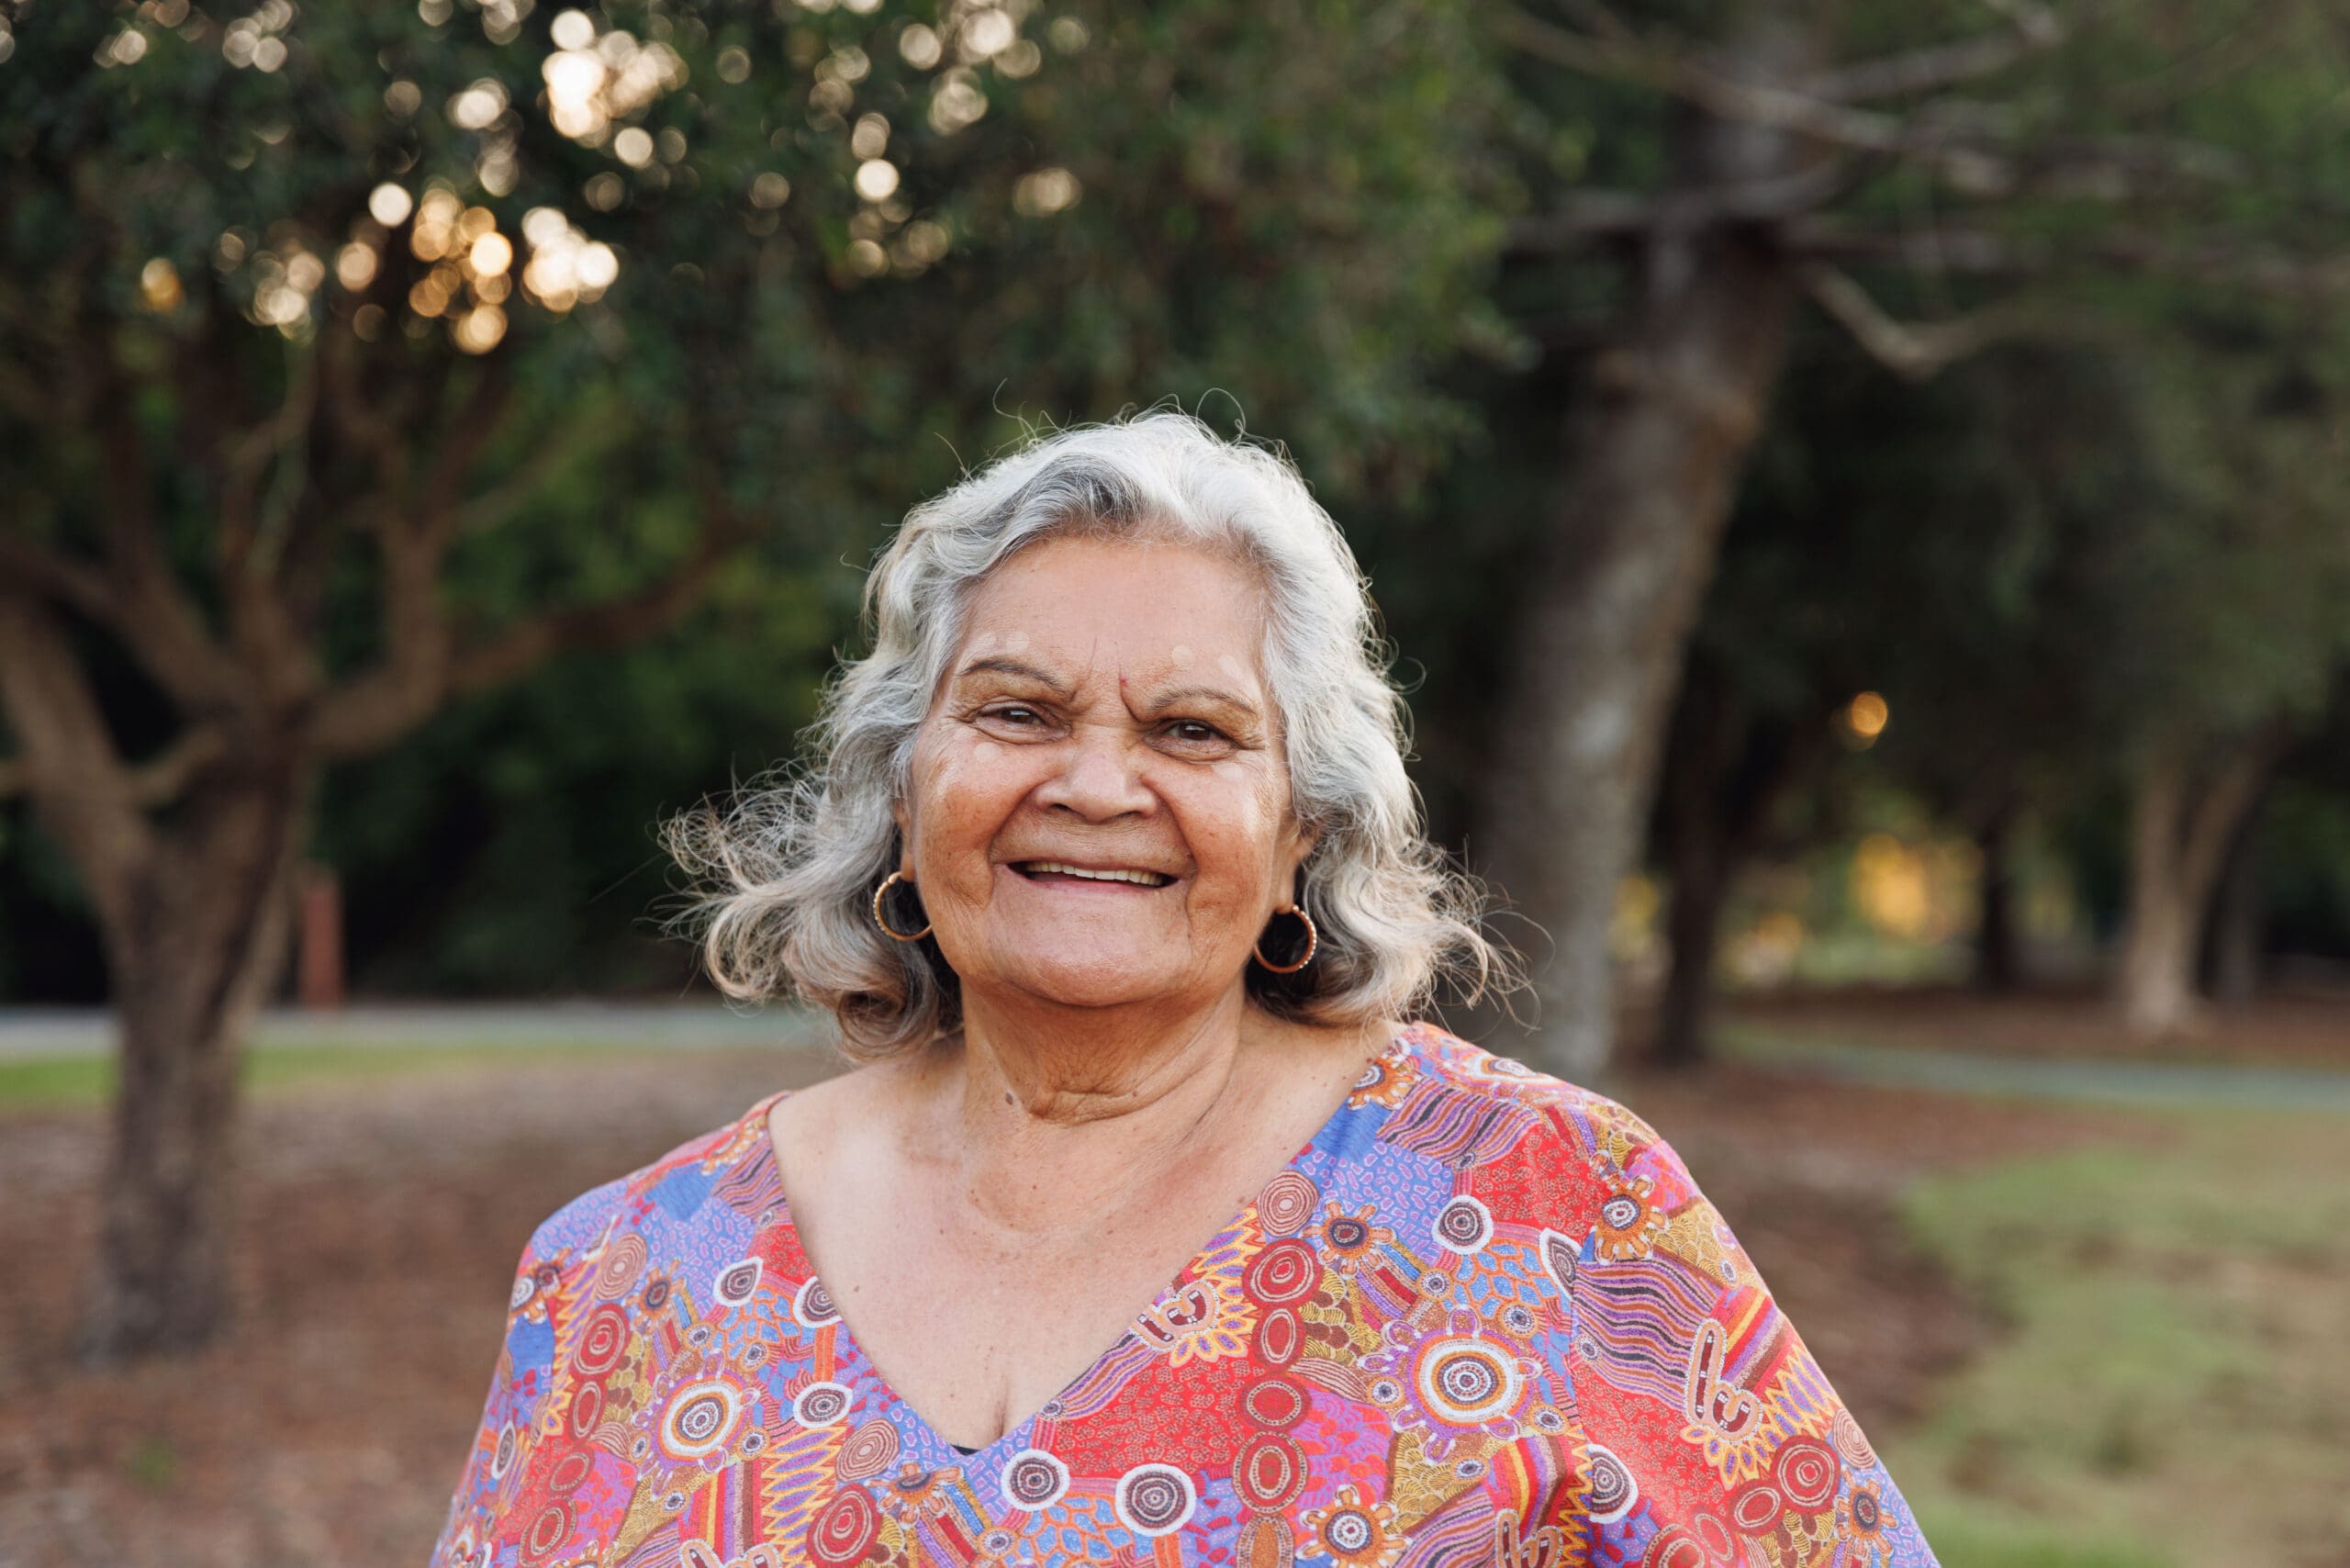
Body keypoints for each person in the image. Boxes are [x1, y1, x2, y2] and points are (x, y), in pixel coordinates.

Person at [428, 411, 1939, 1567]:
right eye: (1016, 711)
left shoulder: (1555, 1211)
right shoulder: (629, 1276)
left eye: (1194, 731)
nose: (1096, 785)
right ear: (904, 785)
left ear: (1304, 831)